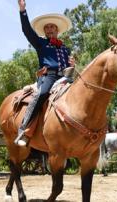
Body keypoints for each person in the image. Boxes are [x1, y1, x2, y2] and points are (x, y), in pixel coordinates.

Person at [15, 0, 75, 146]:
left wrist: (72, 65)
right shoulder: (40, 43)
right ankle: (23, 129)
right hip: (48, 76)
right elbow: (27, 31)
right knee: (41, 95)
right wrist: (23, 11)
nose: (49, 29)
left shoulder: (65, 48)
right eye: (47, 27)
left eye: (52, 27)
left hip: (65, 77)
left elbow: (68, 65)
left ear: (57, 30)